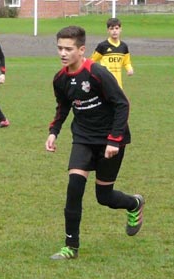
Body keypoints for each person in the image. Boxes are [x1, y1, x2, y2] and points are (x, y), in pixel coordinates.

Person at [45, 26, 144, 260]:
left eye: (68, 49)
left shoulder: (97, 73)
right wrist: (53, 132)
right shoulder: (60, 79)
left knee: (104, 197)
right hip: (83, 138)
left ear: (82, 50)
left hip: (110, 140)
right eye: (60, 48)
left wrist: (114, 140)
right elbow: (63, 107)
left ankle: (134, 204)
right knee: (74, 189)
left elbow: (122, 104)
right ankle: (71, 246)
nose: (63, 53)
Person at [91, 17, 134, 89]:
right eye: (111, 29)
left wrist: (129, 69)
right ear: (108, 30)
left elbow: (126, 62)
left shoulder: (124, 46)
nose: (114, 31)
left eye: (116, 28)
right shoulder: (102, 46)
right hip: (105, 83)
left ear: (120, 29)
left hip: (118, 84)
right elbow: (92, 61)